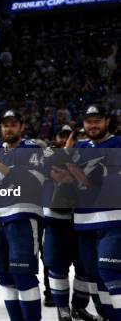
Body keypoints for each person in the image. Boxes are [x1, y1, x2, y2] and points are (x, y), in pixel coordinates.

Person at [0, 110, 45, 321]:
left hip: (23, 217)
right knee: (4, 277)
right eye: (5, 125)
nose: (9, 128)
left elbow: (31, 182)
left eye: (13, 124)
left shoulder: (32, 149)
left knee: (23, 276)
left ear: (21, 127)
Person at [42, 125, 102, 321]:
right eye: (63, 135)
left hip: (82, 222)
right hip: (56, 221)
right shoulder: (49, 151)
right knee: (56, 266)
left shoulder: (88, 156)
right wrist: (68, 152)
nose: (68, 139)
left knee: (84, 268)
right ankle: (63, 310)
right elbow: (50, 165)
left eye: (73, 136)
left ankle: (79, 306)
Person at [68, 105, 121, 320]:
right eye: (89, 121)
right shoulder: (79, 147)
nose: (93, 125)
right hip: (84, 224)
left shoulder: (118, 143)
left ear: (107, 121)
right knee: (96, 275)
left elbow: (105, 183)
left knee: (110, 272)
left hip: (114, 222)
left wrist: (76, 173)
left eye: (97, 120)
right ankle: (108, 316)